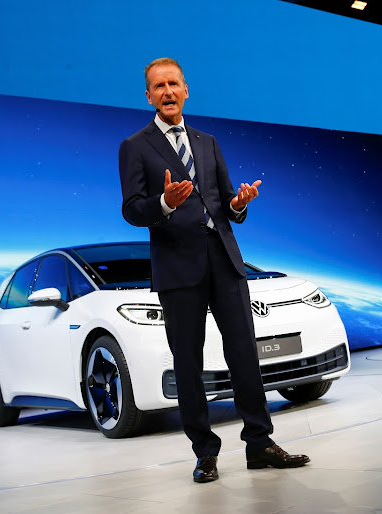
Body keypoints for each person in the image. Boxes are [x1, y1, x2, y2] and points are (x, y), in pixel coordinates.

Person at [118, 57, 309, 483]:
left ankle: (260, 444)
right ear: (148, 96)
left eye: (174, 84)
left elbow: (223, 202)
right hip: (177, 267)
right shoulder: (135, 146)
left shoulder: (207, 142)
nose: (167, 92)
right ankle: (205, 452)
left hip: (224, 259)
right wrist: (165, 202)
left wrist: (238, 205)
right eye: (158, 87)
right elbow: (132, 210)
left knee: (245, 354)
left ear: (186, 90)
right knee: (188, 363)